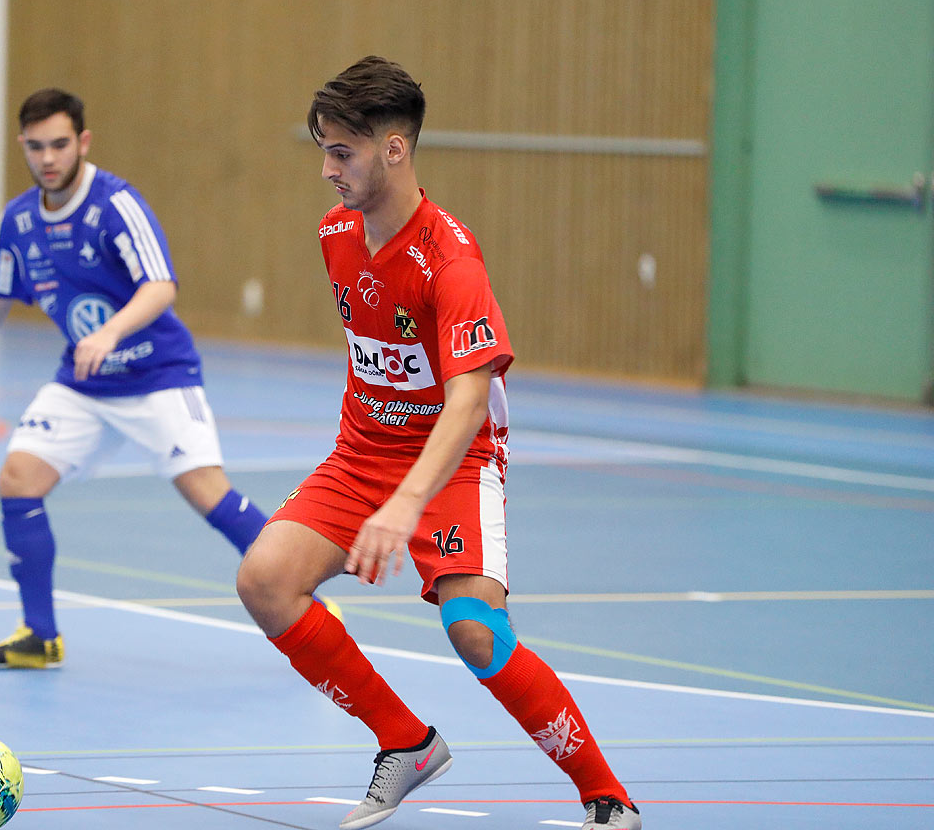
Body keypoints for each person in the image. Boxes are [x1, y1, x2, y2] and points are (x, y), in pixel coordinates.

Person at [236, 57, 641, 830]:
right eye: (322, 149)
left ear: (395, 148)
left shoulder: (451, 258)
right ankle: (405, 742)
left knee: (476, 633)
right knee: (264, 580)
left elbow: (467, 400)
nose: (326, 170)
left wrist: (404, 505)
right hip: (360, 456)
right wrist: (372, 483)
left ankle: (608, 800)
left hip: (454, 462)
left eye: (341, 152)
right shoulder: (335, 234)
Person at [0, 87, 270, 669]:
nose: (47, 158)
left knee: (207, 493)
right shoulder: (20, 219)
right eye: (35, 147)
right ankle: (38, 636)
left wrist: (108, 334)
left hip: (158, 374)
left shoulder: (116, 203)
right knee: (18, 478)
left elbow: (160, 285)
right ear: (22, 147)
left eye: (58, 144)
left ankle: (306, 595)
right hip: (84, 381)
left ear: (82, 142)